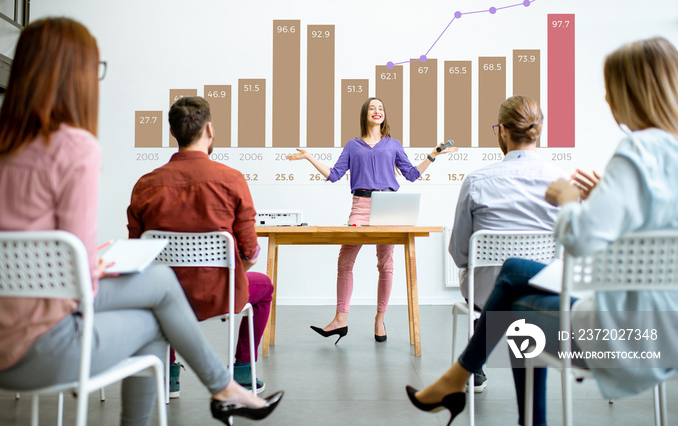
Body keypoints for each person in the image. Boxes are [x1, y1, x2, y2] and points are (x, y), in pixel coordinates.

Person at [0, 17, 282, 426]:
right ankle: (229, 384)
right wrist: (92, 266)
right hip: (40, 346)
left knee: (160, 283)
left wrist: (88, 264)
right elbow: (79, 283)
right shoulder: (74, 147)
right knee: (160, 300)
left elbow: (132, 245)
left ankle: (220, 387)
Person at [406, 36, 678, 426]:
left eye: (610, 89)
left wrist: (569, 199)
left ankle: (466, 381)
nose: (606, 100)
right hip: (669, 324)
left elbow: (582, 241)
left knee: (515, 305)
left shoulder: (637, 151)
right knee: (517, 273)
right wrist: (600, 197)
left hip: (625, 331)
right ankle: (466, 385)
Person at [127, 96, 273, 396]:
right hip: (220, 295)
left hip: (164, 296)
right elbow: (250, 252)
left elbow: (137, 253)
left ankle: (168, 376)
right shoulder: (231, 179)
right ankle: (243, 372)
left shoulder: (145, 184)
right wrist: (233, 274)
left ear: (173, 132)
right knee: (265, 287)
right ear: (209, 129)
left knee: (158, 289)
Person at [288, 96, 457, 342]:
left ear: (384, 115)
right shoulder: (353, 145)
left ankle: (380, 319)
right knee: (345, 261)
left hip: (388, 207)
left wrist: (433, 155)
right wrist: (309, 157)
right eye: (371, 108)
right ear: (365, 115)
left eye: (380, 108)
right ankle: (340, 319)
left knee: (385, 264)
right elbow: (334, 175)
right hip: (360, 206)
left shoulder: (393, 144)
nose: (376, 111)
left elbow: (410, 175)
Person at [449, 95, 568, 391]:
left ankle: (473, 365)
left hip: (485, 293)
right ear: (538, 130)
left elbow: (460, 254)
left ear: (502, 130)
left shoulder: (477, 180)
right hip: (541, 291)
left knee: (475, 278)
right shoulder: (560, 181)